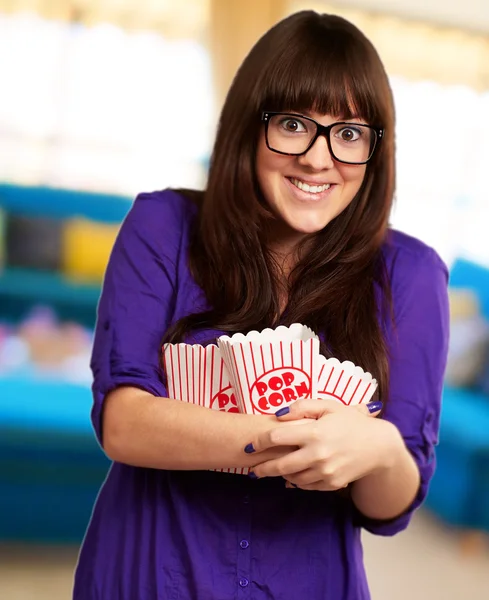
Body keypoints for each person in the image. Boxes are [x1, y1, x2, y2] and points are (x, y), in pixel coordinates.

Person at [73, 10, 449, 600]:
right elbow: (123, 422)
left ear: (376, 152)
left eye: (350, 134)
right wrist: (302, 443)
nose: (319, 159)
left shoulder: (413, 274)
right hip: (150, 573)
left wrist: (378, 449)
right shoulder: (162, 225)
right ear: (250, 125)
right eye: (295, 124)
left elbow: (391, 506)